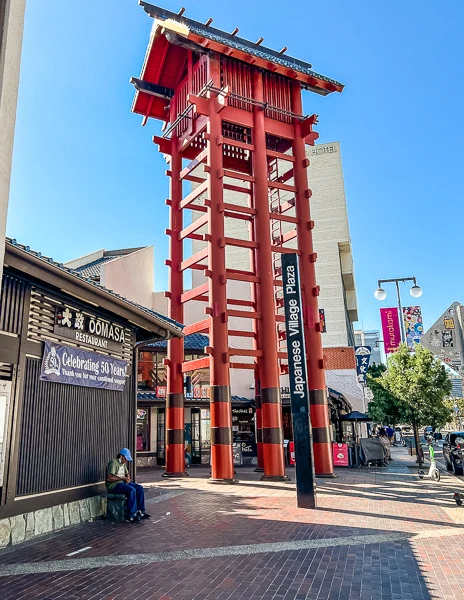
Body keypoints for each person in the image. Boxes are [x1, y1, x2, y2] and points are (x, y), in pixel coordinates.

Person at [106, 448, 150, 524]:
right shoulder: (113, 463)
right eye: (125, 459)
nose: (126, 461)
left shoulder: (123, 464)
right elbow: (109, 478)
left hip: (122, 482)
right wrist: (121, 478)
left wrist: (128, 478)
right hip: (114, 485)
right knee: (131, 490)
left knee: (139, 488)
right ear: (122, 456)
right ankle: (131, 514)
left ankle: (140, 511)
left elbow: (127, 473)